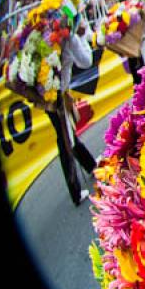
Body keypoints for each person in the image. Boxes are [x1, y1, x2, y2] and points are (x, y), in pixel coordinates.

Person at [45, 18, 97, 206]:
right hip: (55, 95)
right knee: (65, 140)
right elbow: (86, 61)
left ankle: (90, 165)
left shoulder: (47, 34)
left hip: (48, 95)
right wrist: (81, 37)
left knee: (67, 135)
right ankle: (75, 192)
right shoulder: (69, 36)